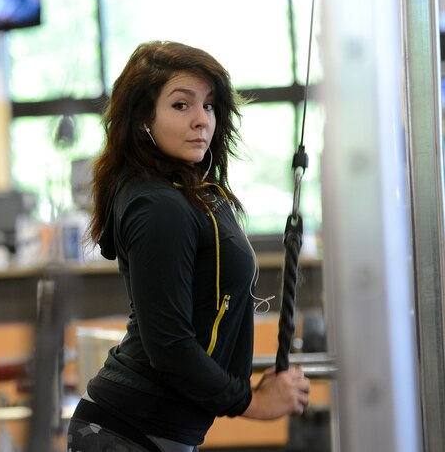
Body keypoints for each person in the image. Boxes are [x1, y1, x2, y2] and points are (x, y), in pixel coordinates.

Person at [69, 41, 311, 452]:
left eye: (210, 106)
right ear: (145, 116)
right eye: (181, 106)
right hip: (127, 431)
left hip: (154, 431)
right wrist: (249, 400)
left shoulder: (187, 192)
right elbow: (170, 346)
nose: (202, 120)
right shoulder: (157, 205)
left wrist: (242, 384)